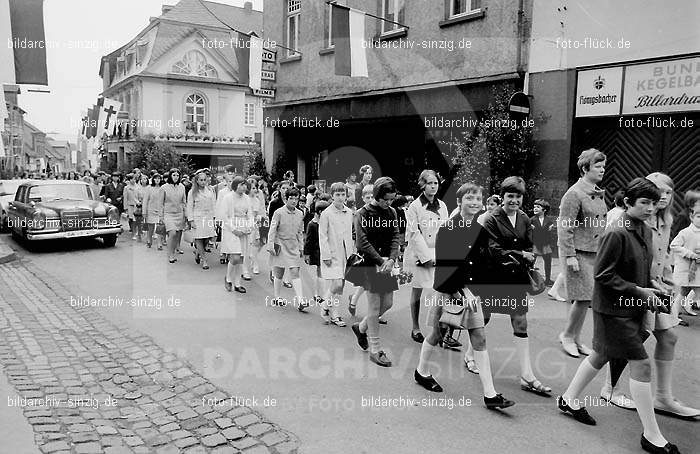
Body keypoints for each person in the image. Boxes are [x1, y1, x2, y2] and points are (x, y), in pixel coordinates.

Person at [557, 177, 680, 454]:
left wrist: (655, 286)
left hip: (632, 306)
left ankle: (568, 399)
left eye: (653, 202)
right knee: (641, 364)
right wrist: (639, 290)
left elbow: (643, 268)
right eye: (644, 203)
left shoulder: (645, 230)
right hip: (613, 310)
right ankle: (651, 434)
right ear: (627, 203)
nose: (651, 208)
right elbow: (603, 275)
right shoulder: (616, 232)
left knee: (601, 354)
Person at [413, 182, 515, 410]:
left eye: (478, 199)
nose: (475, 203)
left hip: (471, 293)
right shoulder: (448, 229)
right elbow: (446, 270)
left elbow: (483, 262)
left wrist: (509, 267)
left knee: (479, 337)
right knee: (436, 334)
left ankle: (490, 394)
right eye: (470, 199)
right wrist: (463, 290)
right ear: (459, 202)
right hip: (449, 290)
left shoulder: (479, 230)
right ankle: (421, 371)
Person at [482, 176, 552, 396]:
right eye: (510, 196)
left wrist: (530, 256)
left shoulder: (524, 218)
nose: (514, 200)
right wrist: (520, 254)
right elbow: (492, 250)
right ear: (502, 197)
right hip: (493, 276)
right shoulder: (492, 218)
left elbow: (528, 243)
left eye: (518, 196)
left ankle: (527, 375)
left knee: (520, 322)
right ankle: (469, 355)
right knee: (482, 318)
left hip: (516, 277)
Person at [557, 149, 608, 358]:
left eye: (603, 166)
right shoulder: (574, 193)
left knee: (586, 299)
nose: (602, 170)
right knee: (582, 298)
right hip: (577, 253)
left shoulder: (595, 191)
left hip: (594, 252)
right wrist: (569, 255)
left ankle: (576, 339)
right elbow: (565, 226)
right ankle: (567, 336)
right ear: (585, 168)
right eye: (598, 166)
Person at [350, 177, 401, 367]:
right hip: (370, 264)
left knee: (387, 304)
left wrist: (392, 259)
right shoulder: (362, 213)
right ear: (377, 196)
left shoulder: (392, 212)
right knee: (373, 307)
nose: (389, 203)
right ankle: (375, 349)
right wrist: (381, 260)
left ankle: (361, 328)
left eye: (392, 199)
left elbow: (396, 235)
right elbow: (361, 242)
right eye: (386, 199)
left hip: (387, 263)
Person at [404, 170, 449, 344]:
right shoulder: (414, 206)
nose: (433, 186)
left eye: (436, 183)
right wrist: (425, 257)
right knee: (417, 290)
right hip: (419, 254)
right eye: (430, 183)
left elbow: (445, 231)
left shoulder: (443, 206)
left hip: (438, 253)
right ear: (422, 185)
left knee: (440, 292)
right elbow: (414, 234)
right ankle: (415, 327)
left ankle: (439, 329)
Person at [319, 182, 356, 327]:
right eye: (337, 195)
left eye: (343, 194)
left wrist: (352, 252)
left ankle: (335, 314)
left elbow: (350, 234)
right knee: (336, 283)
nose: (340, 198)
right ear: (332, 196)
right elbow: (322, 236)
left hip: (346, 253)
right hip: (332, 253)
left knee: (341, 286)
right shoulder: (326, 213)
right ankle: (325, 304)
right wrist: (326, 255)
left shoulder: (349, 212)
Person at [267, 187, 308, 310]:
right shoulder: (278, 212)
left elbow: (300, 232)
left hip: (293, 246)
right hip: (280, 244)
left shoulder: (300, 213)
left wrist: (301, 247)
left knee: (295, 272)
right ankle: (277, 296)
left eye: (296, 198)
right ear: (286, 199)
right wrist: (270, 245)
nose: (294, 201)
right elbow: (272, 229)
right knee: (279, 273)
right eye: (291, 198)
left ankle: (300, 300)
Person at [222, 177, 254, 292]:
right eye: (241, 185)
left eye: (245, 185)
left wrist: (250, 226)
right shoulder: (228, 198)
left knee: (241, 257)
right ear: (235, 185)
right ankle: (228, 278)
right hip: (232, 229)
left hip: (244, 227)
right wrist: (234, 229)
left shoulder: (247, 198)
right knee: (235, 257)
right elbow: (224, 216)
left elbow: (250, 214)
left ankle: (237, 283)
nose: (244, 187)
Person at [304, 200, 331, 321]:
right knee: (320, 272)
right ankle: (318, 294)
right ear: (320, 212)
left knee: (323, 272)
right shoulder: (312, 224)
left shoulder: (326, 222)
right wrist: (306, 253)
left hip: (325, 250)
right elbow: (308, 240)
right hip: (316, 251)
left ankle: (320, 293)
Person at [187, 169, 216, 270]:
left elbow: (214, 204)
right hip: (197, 218)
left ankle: (198, 252)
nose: (203, 182)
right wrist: (191, 220)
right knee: (199, 238)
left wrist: (214, 218)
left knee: (207, 238)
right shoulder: (192, 192)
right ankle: (204, 260)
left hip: (208, 218)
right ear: (197, 181)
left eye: (205, 180)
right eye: (201, 180)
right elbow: (189, 206)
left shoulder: (210, 190)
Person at [159, 168, 187, 263]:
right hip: (168, 214)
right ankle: (170, 254)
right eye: (174, 175)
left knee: (177, 235)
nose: (176, 177)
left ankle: (173, 250)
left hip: (180, 214)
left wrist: (186, 214)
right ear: (170, 176)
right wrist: (160, 216)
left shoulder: (182, 187)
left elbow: (184, 202)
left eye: (177, 175)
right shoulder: (164, 187)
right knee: (172, 233)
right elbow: (161, 203)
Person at [531, 199, 556, 286]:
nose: (535, 208)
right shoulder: (532, 220)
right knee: (531, 262)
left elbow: (551, 234)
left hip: (546, 244)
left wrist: (551, 244)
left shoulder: (549, 221)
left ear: (544, 210)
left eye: (538, 207)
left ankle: (548, 280)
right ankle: (529, 279)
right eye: (534, 207)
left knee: (548, 262)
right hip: (535, 243)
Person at [247, 177, 265, 275]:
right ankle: (254, 263)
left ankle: (254, 261)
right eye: (252, 188)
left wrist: (259, 218)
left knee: (257, 243)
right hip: (246, 223)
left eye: (255, 188)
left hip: (255, 223)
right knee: (251, 244)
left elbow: (257, 212)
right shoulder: (245, 199)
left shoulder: (257, 200)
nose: (255, 190)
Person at [143, 173, 163, 249]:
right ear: (153, 179)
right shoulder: (149, 188)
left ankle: (159, 243)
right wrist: (144, 212)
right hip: (150, 210)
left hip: (160, 210)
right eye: (156, 178)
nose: (157, 180)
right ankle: (149, 239)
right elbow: (145, 200)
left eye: (159, 178)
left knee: (159, 227)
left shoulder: (162, 188)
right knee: (150, 227)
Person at [133, 174, 148, 242]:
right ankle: (139, 234)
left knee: (148, 221)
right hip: (140, 206)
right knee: (139, 221)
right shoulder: (137, 188)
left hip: (148, 206)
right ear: (140, 180)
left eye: (145, 179)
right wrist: (137, 202)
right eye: (142, 179)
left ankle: (148, 235)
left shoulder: (149, 188)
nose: (144, 180)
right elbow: (135, 197)